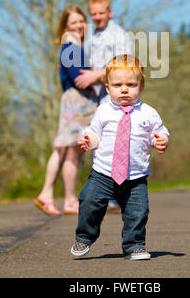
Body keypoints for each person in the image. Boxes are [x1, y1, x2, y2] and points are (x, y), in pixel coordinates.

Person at [70, 54, 170, 260]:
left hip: (135, 176)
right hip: (103, 172)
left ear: (141, 87)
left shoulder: (148, 113)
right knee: (89, 201)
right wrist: (89, 141)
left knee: (138, 211)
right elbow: (95, 133)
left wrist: (161, 139)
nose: (124, 89)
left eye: (131, 84)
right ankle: (85, 236)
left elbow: (158, 132)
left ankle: (134, 246)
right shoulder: (104, 111)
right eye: (117, 85)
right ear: (107, 88)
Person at [34, 6, 97, 216]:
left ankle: (59, 197)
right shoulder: (71, 46)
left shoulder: (73, 47)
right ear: (65, 27)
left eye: (81, 21)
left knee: (67, 150)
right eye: (73, 22)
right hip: (77, 102)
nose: (79, 25)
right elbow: (79, 78)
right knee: (68, 150)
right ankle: (57, 197)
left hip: (76, 102)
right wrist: (97, 74)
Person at [75, 0, 132, 212]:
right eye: (94, 14)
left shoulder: (118, 35)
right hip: (99, 97)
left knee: (117, 144)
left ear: (110, 12)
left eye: (102, 13)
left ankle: (119, 196)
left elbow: (121, 66)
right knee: (102, 145)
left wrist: (94, 76)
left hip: (116, 98)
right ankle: (106, 195)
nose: (98, 17)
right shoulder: (94, 35)